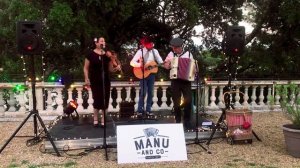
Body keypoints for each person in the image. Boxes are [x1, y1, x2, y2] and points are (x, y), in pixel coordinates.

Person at [83, 37, 121, 127]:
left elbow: (110, 69)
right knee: (97, 99)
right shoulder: (90, 54)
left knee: (105, 99)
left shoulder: (107, 55)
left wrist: (116, 68)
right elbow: (85, 68)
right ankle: (95, 118)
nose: (103, 42)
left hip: (105, 80)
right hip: (95, 79)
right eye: (101, 41)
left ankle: (103, 119)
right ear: (96, 43)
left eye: (104, 41)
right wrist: (86, 78)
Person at [164, 37, 195, 130]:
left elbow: (194, 67)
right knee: (176, 102)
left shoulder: (188, 54)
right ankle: (177, 120)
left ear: (180, 47)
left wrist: (194, 70)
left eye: (175, 48)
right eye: (173, 48)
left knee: (188, 101)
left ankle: (187, 121)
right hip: (175, 81)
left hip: (186, 81)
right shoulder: (171, 54)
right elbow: (166, 66)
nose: (174, 49)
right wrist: (168, 63)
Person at [130, 36, 164, 116]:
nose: (151, 45)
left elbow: (160, 61)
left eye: (152, 44)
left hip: (151, 74)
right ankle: (139, 110)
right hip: (142, 73)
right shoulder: (141, 51)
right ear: (146, 44)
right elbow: (132, 62)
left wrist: (165, 63)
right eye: (150, 44)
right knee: (143, 92)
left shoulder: (155, 51)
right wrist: (140, 65)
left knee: (151, 93)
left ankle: (148, 110)